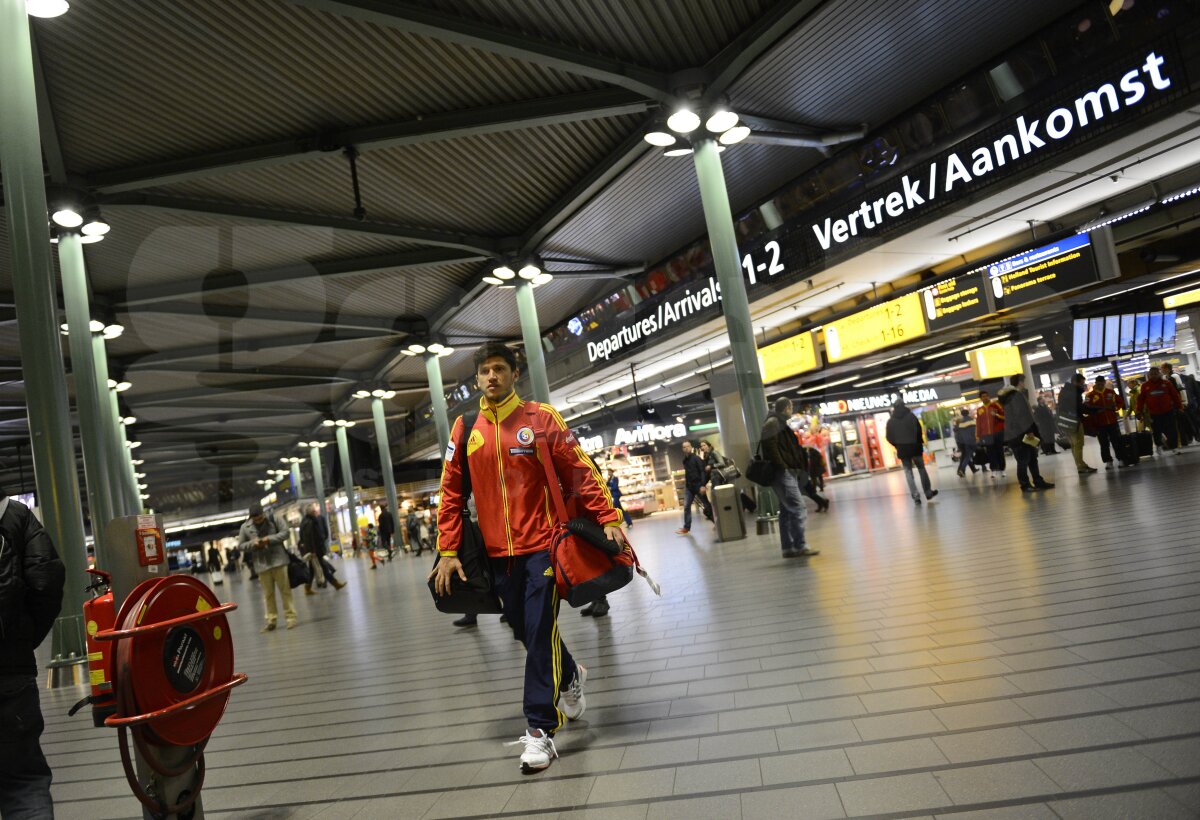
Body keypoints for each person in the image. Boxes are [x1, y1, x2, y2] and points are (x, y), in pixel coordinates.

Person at [429, 342, 625, 772]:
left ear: (514, 374)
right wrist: (447, 550)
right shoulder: (465, 428)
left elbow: (578, 467)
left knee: (538, 632)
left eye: (499, 369)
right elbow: (449, 493)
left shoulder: (540, 418)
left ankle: (540, 729)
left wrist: (607, 515)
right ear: (477, 378)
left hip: (544, 547)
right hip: (498, 557)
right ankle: (570, 674)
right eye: (484, 371)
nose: (491, 377)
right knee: (524, 627)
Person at [0, 493, 65, 818]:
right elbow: (46, 583)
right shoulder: (15, 515)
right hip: (11, 675)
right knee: (23, 784)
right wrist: (21, 642)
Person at [760, 397, 820, 558]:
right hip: (782, 473)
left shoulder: (779, 423)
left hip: (786, 471)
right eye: (790, 407)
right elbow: (770, 447)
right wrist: (783, 466)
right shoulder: (773, 422)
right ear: (786, 408)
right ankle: (800, 545)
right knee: (798, 507)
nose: (791, 410)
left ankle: (788, 548)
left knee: (787, 510)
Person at [238, 503, 296, 631]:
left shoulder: (274, 519)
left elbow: (286, 532)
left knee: (285, 591)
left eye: (260, 517)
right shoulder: (245, 527)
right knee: (268, 594)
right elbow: (241, 545)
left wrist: (269, 540)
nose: (258, 520)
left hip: (279, 561)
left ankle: (290, 617)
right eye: (255, 519)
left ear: (263, 513)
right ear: (251, 517)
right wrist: (252, 544)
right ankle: (271, 620)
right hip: (261, 564)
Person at [998, 374, 1055, 492]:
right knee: (1023, 460)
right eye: (1023, 381)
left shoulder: (1011, 395)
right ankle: (1025, 484)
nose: (1024, 384)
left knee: (1032, 458)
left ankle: (1038, 481)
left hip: (1017, 433)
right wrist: (1029, 431)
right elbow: (1021, 415)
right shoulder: (1015, 395)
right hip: (1020, 433)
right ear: (1020, 382)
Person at [884, 399, 939, 504]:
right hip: (915, 447)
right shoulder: (911, 416)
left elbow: (889, 437)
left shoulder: (891, 421)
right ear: (904, 405)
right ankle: (928, 492)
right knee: (921, 469)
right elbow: (919, 431)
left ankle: (916, 496)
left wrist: (897, 445)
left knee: (908, 472)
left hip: (903, 449)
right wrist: (917, 442)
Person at [299, 502, 345, 594]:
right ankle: (335, 584)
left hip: (315, 549)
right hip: (315, 550)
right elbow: (310, 538)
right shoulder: (310, 522)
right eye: (314, 511)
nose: (316, 512)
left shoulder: (307, 521)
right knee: (323, 567)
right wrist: (313, 551)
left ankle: (307, 588)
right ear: (311, 512)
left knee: (313, 569)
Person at [1136, 367, 1184, 453]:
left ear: (1159, 374)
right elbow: (1141, 399)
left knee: (1171, 430)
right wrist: (1138, 411)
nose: (1154, 375)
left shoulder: (1167, 383)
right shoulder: (1145, 386)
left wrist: (1180, 407)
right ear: (1149, 375)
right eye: (1152, 374)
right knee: (1156, 431)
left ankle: (1174, 447)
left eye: (1155, 373)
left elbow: (1175, 396)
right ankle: (1159, 445)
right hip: (1154, 413)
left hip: (1168, 411)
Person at [1058, 373, 1097, 474]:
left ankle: (1081, 464)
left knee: (1074, 445)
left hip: (1066, 421)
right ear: (1076, 382)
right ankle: (1081, 466)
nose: (1083, 385)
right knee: (1078, 444)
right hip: (1074, 421)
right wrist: (1092, 410)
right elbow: (1079, 407)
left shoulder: (1064, 391)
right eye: (1082, 383)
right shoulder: (1074, 392)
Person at [1085, 375, 1125, 468]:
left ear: (1104, 382)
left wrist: (1115, 408)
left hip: (1112, 421)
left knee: (1116, 441)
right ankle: (1108, 461)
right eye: (1098, 383)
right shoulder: (1089, 395)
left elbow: (1120, 402)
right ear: (1096, 383)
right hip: (1099, 424)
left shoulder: (1111, 392)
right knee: (1103, 443)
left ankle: (1121, 459)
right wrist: (1095, 412)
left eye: (1102, 383)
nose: (1100, 384)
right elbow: (1086, 407)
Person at [676, 441, 712, 535]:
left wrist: (703, 485)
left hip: (699, 485)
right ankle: (686, 527)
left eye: (687, 446)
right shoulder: (685, 461)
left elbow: (702, 472)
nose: (686, 448)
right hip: (689, 487)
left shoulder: (696, 459)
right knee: (686, 506)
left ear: (691, 447)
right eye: (684, 447)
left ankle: (717, 522)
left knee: (706, 504)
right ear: (682, 449)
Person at [975, 390, 1006, 477]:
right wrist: (978, 436)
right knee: (990, 452)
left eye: (986, 395)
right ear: (980, 398)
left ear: (989, 396)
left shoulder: (996, 405)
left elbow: (1004, 416)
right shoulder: (979, 410)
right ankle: (994, 470)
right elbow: (978, 423)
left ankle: (1002, 469)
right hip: (986, 435)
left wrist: (996, 415)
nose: (985, 397)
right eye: (983, 396)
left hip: (998, 432)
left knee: (999, 451)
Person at [1161, 363, 1193, 446]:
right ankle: (1180, 441)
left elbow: (1181, 389)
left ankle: (1185, 440)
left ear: (1167, 369)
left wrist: (1184, 402)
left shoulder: (1175, 376)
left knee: (1181, 423)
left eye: (1162, 368)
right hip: (1171, 404)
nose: (1161, 370)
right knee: (1175, 424)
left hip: (1178, 403)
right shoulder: (1164, 378)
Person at [953, 407, 978, 477]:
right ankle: (962, 469)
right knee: (967, 456)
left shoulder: (960, 423)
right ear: (968, 413)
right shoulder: (972, 420)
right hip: (972, 441)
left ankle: (962, 470)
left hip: (965, 442)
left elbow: (958, 432)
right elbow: (975, 431)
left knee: (966, 456)